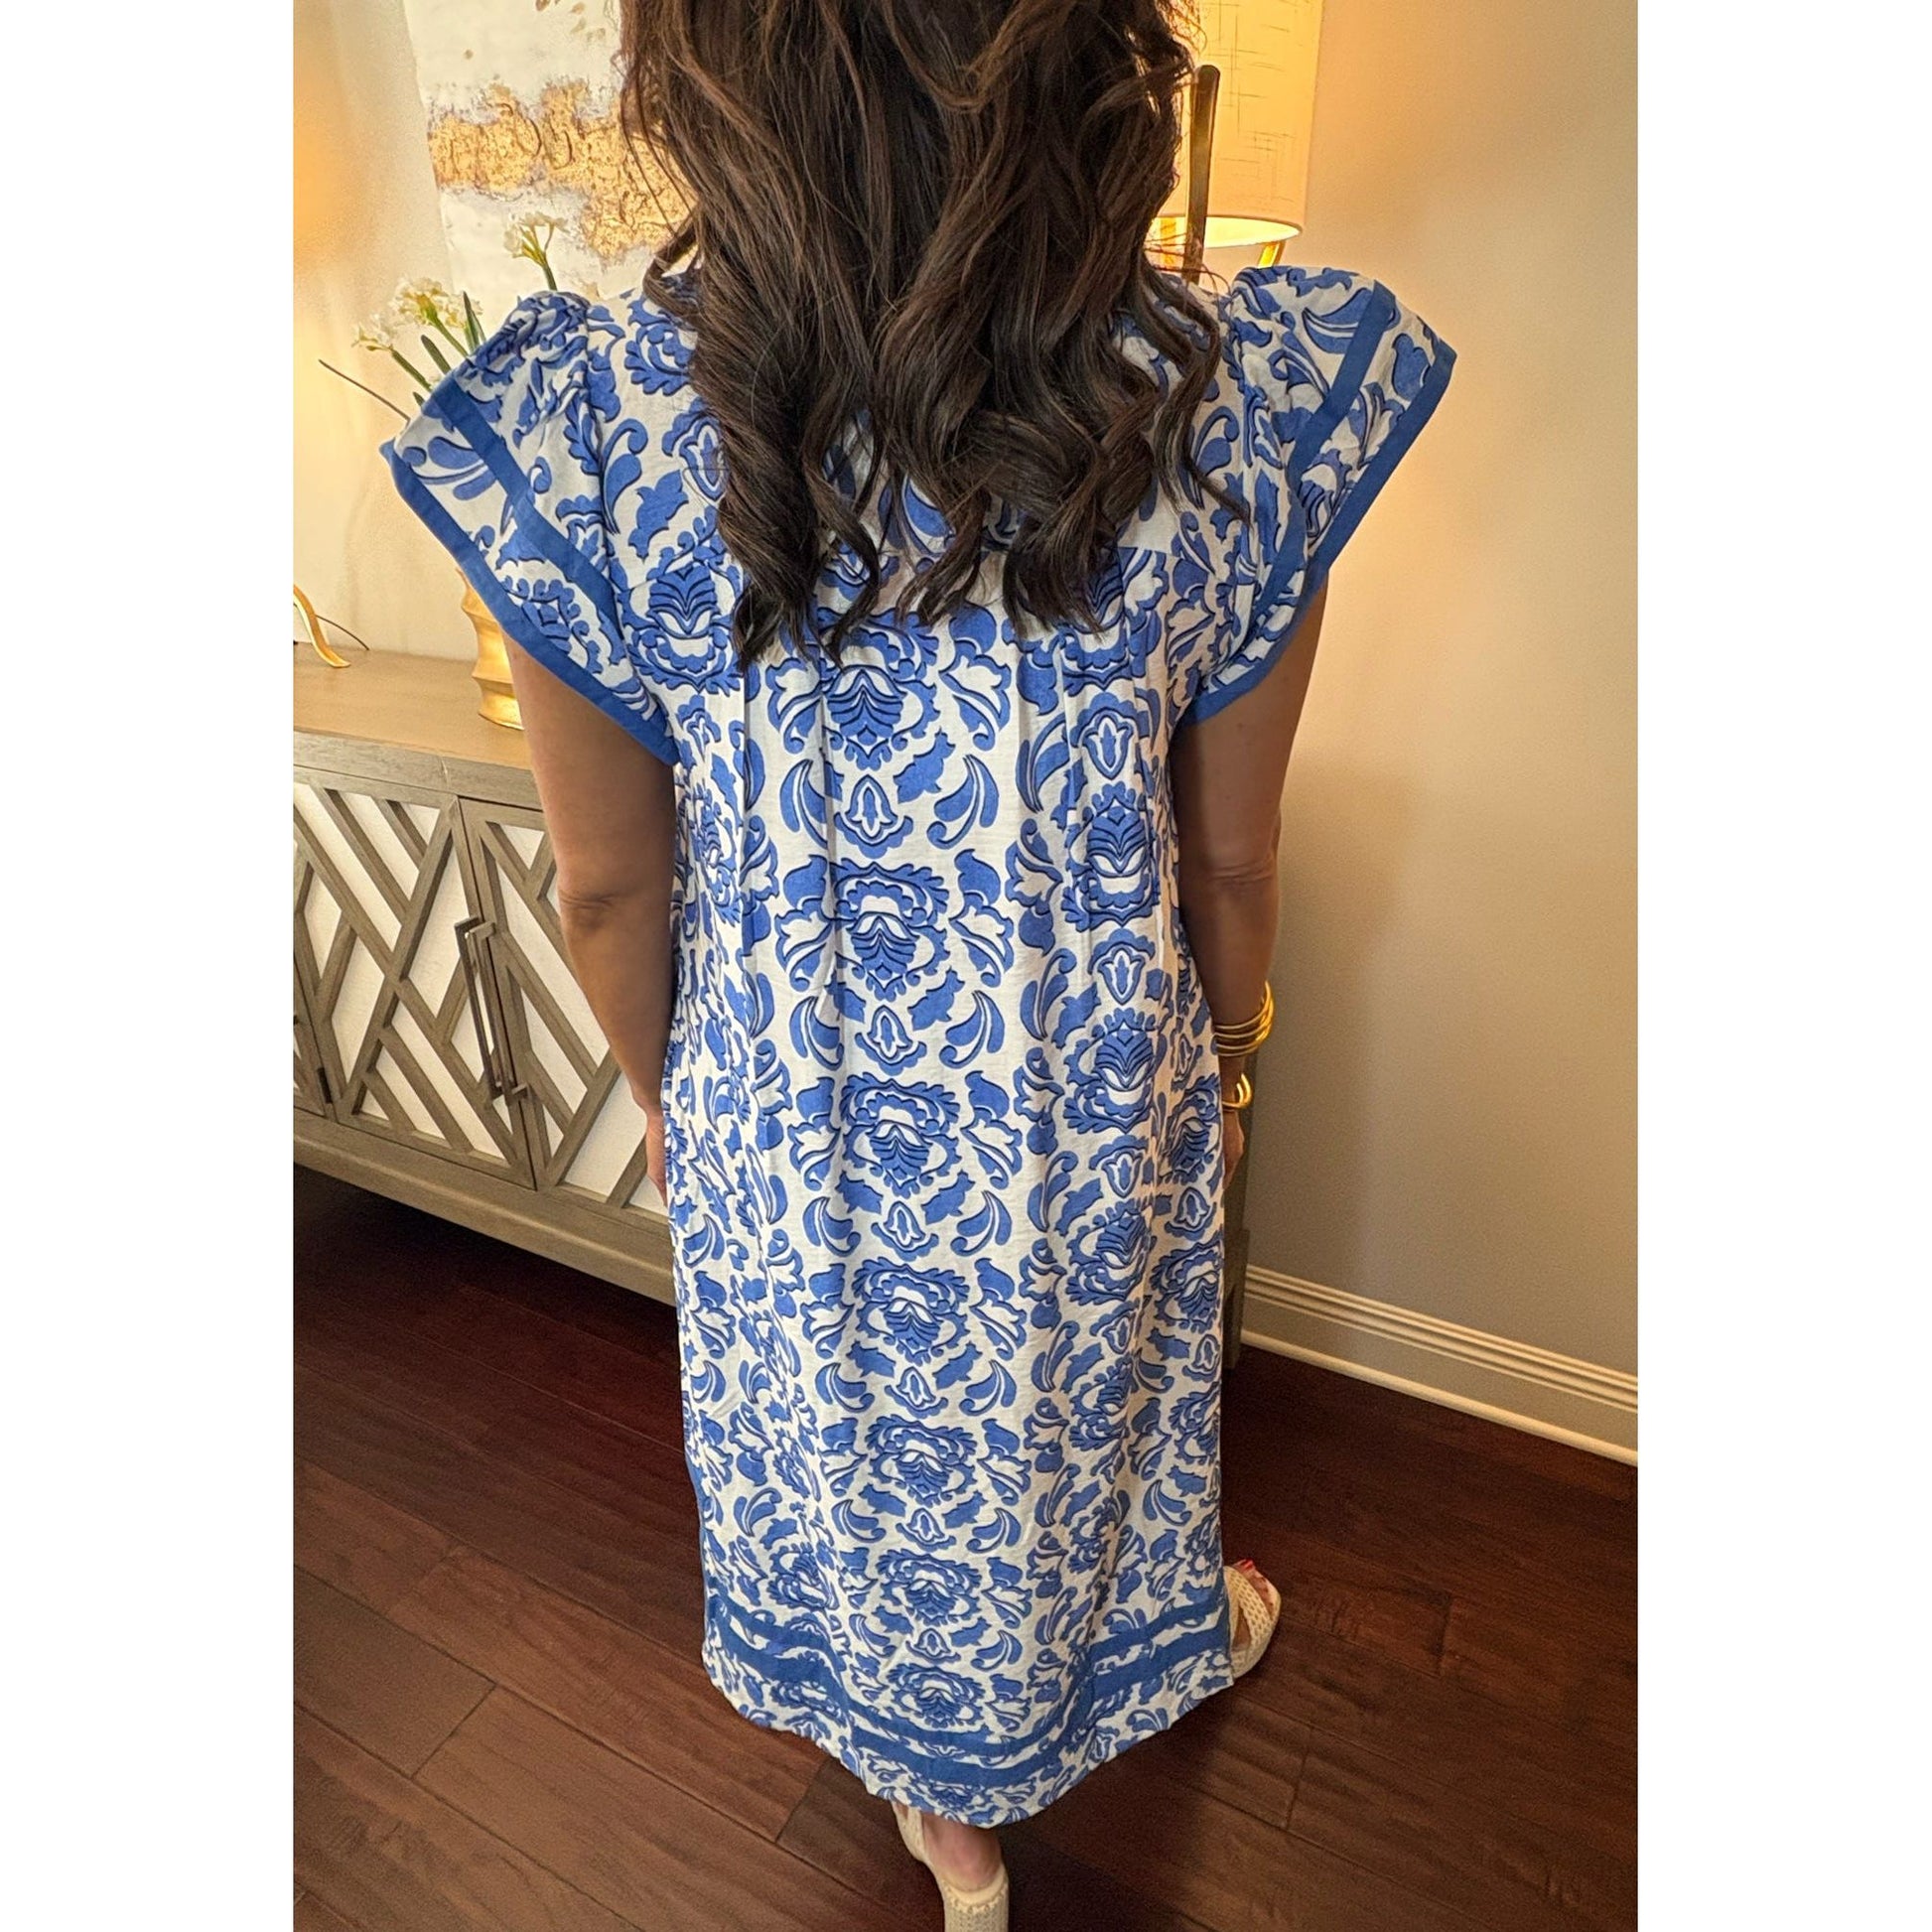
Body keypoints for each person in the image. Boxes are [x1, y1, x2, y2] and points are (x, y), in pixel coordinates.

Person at [385, 4, 1453, 1923]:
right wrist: (1218, 1063)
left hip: (778, 1099)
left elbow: (613, 891)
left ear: (709, 78)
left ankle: (939, 1820)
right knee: (1086, 1398)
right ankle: (1141, 1647)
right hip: (1081, 1080)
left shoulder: (595, 425)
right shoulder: (1222, 398)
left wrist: (679, 1094)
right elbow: (1227, 846)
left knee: (848, 1425)